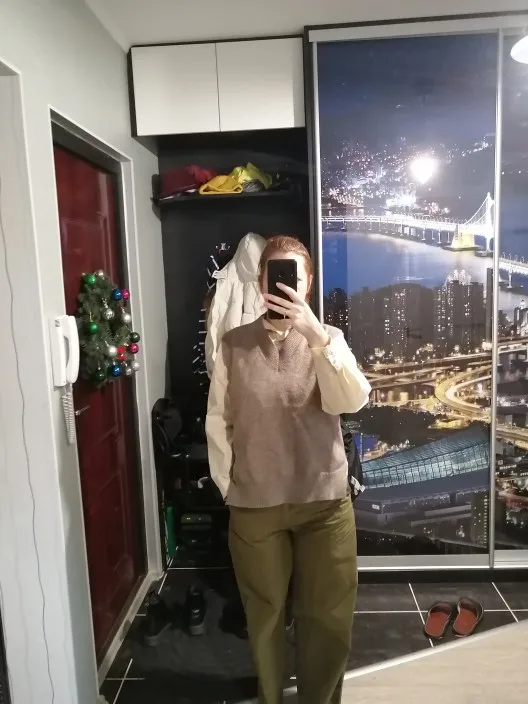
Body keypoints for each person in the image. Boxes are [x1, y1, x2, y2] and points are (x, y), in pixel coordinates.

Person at [206, 235, 371, 704]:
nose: (284, 285)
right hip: (255, 505)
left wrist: (318, 339)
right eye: (274, 275)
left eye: (294, 276)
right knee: (264, 616)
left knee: (328, 617)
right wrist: (228, 485)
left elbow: (351, 400)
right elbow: (219, 420)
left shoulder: (329, 339)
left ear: (308, 283)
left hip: (325, 505)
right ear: (260, 282)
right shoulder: (234, 344)